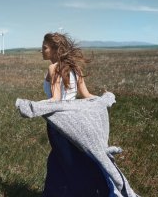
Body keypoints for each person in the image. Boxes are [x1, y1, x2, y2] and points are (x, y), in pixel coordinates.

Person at [41, 32, 109, 196]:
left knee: (69, 166)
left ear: (55, 50)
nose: (41, 50)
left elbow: (56, 99)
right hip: (75, 121)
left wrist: (33, 106)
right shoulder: (75, 69)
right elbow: (86, 95)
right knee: (57, 161)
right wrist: (103, 99)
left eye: (44, 47)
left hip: (59, 123)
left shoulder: (53, 68)